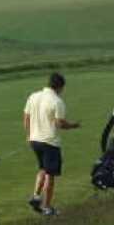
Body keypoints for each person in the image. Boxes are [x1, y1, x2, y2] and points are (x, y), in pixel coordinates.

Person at [23, 73, 80, 216]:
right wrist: (73, 126)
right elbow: (60, 123)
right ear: (60, 87)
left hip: (34, 140)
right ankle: (47, 207)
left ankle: (36, 197)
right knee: (50, 175)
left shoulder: (33, 96)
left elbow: (26, 118)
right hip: (50, 143)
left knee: (42, 168)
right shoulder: (57, 101)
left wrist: (29, 135)